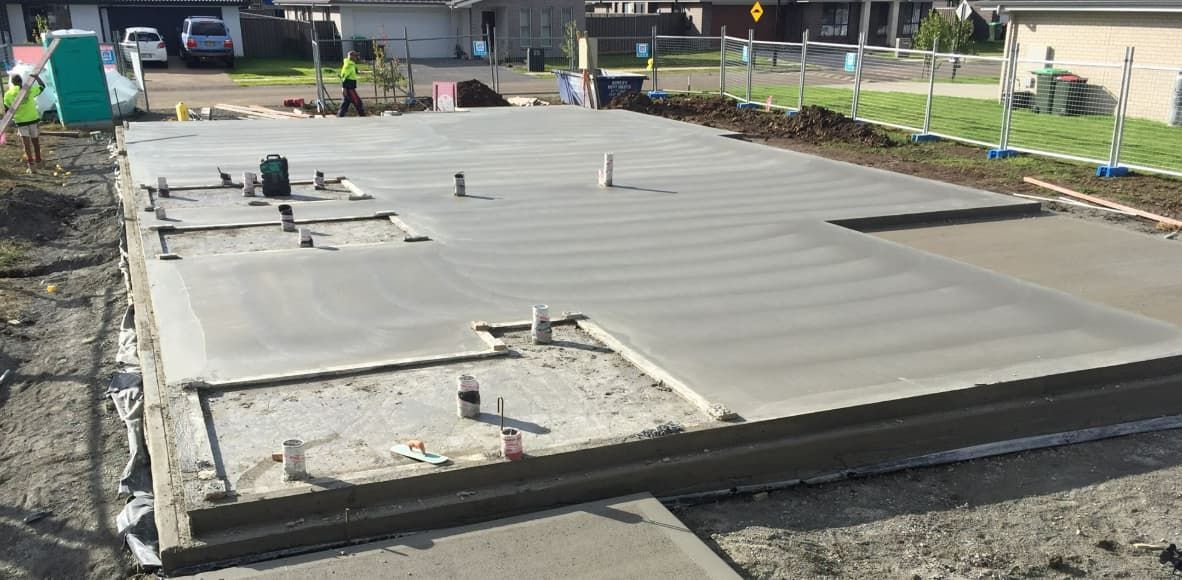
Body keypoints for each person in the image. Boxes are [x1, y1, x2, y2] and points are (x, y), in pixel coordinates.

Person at [4, 73, 46, 172]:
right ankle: (39, 162)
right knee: (35, 141)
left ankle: (31, 166)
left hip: (21, 122)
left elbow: (7, 110)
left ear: (12, 82)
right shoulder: (29, 89)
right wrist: (37, 78)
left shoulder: (8, 94)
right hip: (32, 119)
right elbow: (42, 87)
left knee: (26, 144)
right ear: (21, 81)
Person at [338, 51, 365, 117]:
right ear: (352, 57)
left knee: (346, 103)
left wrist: (361, 72)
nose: (357, 57)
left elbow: (354, 71)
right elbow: (343, 77)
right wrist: (344, 89)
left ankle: (339, 116)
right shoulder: (348, 65)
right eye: (355, 56)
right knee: (358, 102)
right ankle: (363, 116)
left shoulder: (352, 64)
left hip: (351, 87)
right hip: (349, 88)